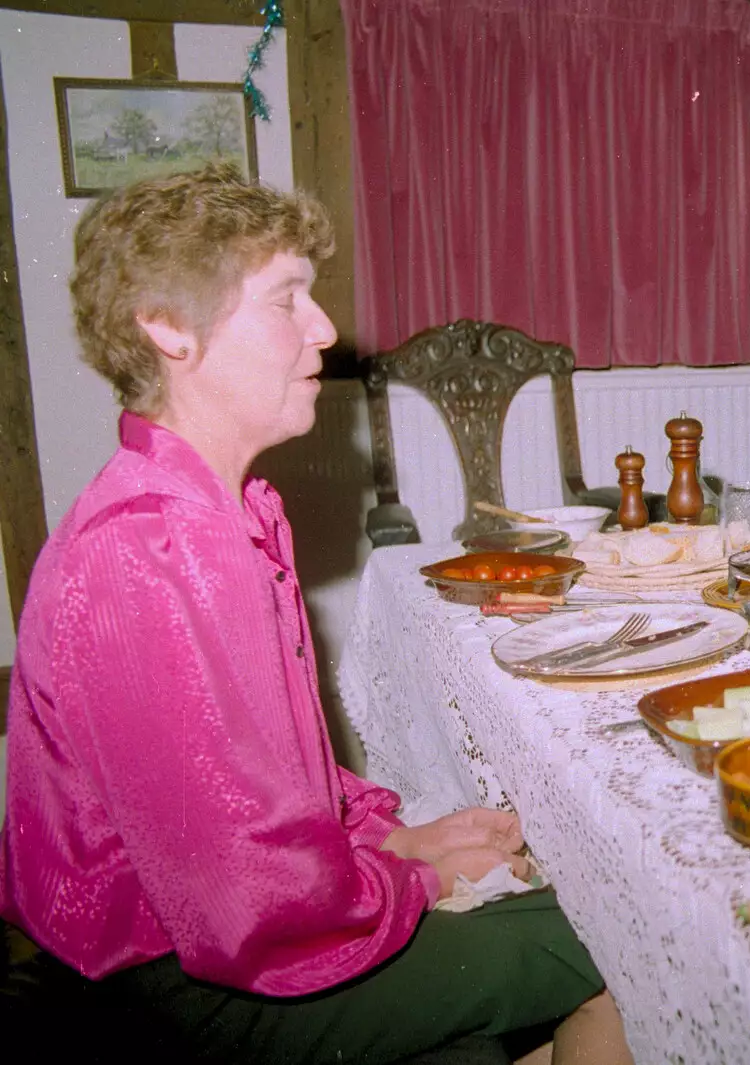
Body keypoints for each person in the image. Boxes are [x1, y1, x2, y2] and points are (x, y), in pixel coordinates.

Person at [0, 164, 632, 1064]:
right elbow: (242, 898)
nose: (326, 330)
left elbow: (268, 780)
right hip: (181, 975)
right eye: (287, 299)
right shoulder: (148, 555)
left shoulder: (218, 511)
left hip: (226, 937)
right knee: (623, 937)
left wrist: (389, 833)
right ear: (168, 327)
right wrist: (415, 878)